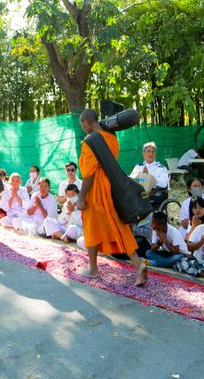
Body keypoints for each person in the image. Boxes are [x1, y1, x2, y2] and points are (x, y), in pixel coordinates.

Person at [77, 109, 147, 286]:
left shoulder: (90, 142)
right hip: (113, 185)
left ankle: (94, 269)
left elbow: (88, 175)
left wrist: (82, 197)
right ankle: (137, 264)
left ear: (86, 122)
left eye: (82, 124)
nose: (82, 128)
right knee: (119, 226)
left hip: (96, 190)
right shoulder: (111, 137)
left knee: (91, 226)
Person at [129, 142, 170, 208]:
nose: (151, 153)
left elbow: (164, 184)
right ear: (143, 154)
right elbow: (132, 180)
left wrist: (148, 177)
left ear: (155, 154)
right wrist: (140, 177)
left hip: (155, 194)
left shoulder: (161, 168)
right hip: (140, 193)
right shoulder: (138, 167)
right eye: (148, 151)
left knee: (140, 197)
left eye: (153, 152)